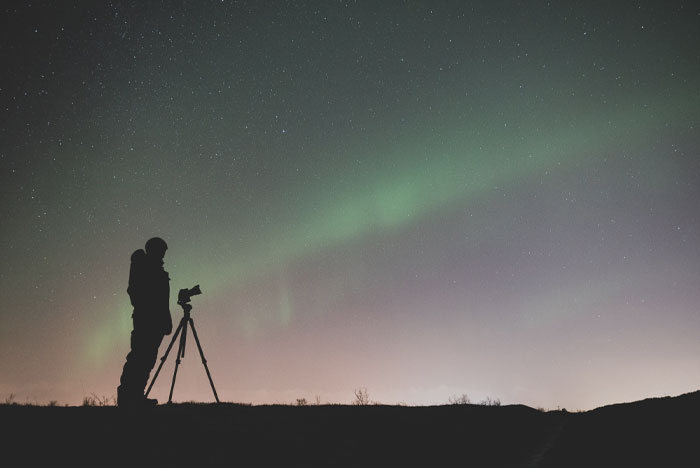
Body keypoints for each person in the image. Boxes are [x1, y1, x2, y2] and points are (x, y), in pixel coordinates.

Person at [117, 237, 173, 407]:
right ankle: (128, 397)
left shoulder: (157, 269)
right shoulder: (145, 266)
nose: (163, 254)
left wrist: (165, 320)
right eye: (161, 250)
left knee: (147, 359)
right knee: (139, 358)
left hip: (155, 322)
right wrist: (148, 309)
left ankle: (137, 395)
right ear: (155, 250)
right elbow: (135, 291)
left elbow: (163, 300)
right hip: (146, 321)